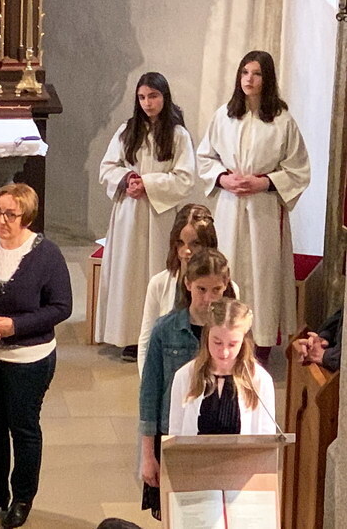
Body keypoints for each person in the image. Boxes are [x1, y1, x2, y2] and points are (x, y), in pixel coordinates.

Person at [0, 184, 72, 528]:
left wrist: (15, 326)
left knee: (23, 428)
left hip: (28, 359)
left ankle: (22, 498)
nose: (2, 220)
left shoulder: (47, 254)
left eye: (11, 214)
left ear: (27, 217)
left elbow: (61, 306)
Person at [197, 50, 311, 362]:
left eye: (257, 74)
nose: (249, 79)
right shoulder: (224, 116)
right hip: (231, 207)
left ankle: (260, 344)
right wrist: (223, 178)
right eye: (245, 72)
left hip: (264, 210)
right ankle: (223, 340)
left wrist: (265, 182)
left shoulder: (282, 121)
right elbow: (205, 157)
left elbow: (299, 169)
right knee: (229, 268)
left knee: (263, 275)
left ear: (267, 78)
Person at [96, 72, 195, 362]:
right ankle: (128, 336)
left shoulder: (178, 135)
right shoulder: (128, 130)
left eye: (153, 96)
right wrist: (127, 179)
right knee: (128, 273)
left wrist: (148, 184)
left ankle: (158, 333)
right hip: (128, 214)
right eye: (142, 97)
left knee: (156, 271)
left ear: (164, 97)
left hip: (159, 215)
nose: (147, 103)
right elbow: (107, 167)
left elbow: (185, 177)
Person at [138, 249, 235, 520]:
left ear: (226, 286)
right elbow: (149, 395)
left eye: (216, 290)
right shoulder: (165, 329)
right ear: (188, 284)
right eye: (202, 289)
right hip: (174, 434)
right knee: (177, 516)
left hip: (220, 435)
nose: (208, 298)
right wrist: (148, 455)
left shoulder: (233, 332)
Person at [137, 204, 225, 378]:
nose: (186, 251)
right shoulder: (158, 284)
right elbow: (146, 342)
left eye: (195, 244)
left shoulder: (227, 288)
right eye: (180, 243)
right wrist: (147, 382)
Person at [169, 298, 276, 435]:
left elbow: (267, 436)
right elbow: (175, 433)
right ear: (207, 336)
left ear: (244, 342)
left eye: (232, 344)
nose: (224, 352)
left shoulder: (260, 379)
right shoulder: (184, 376)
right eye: (217, 342)